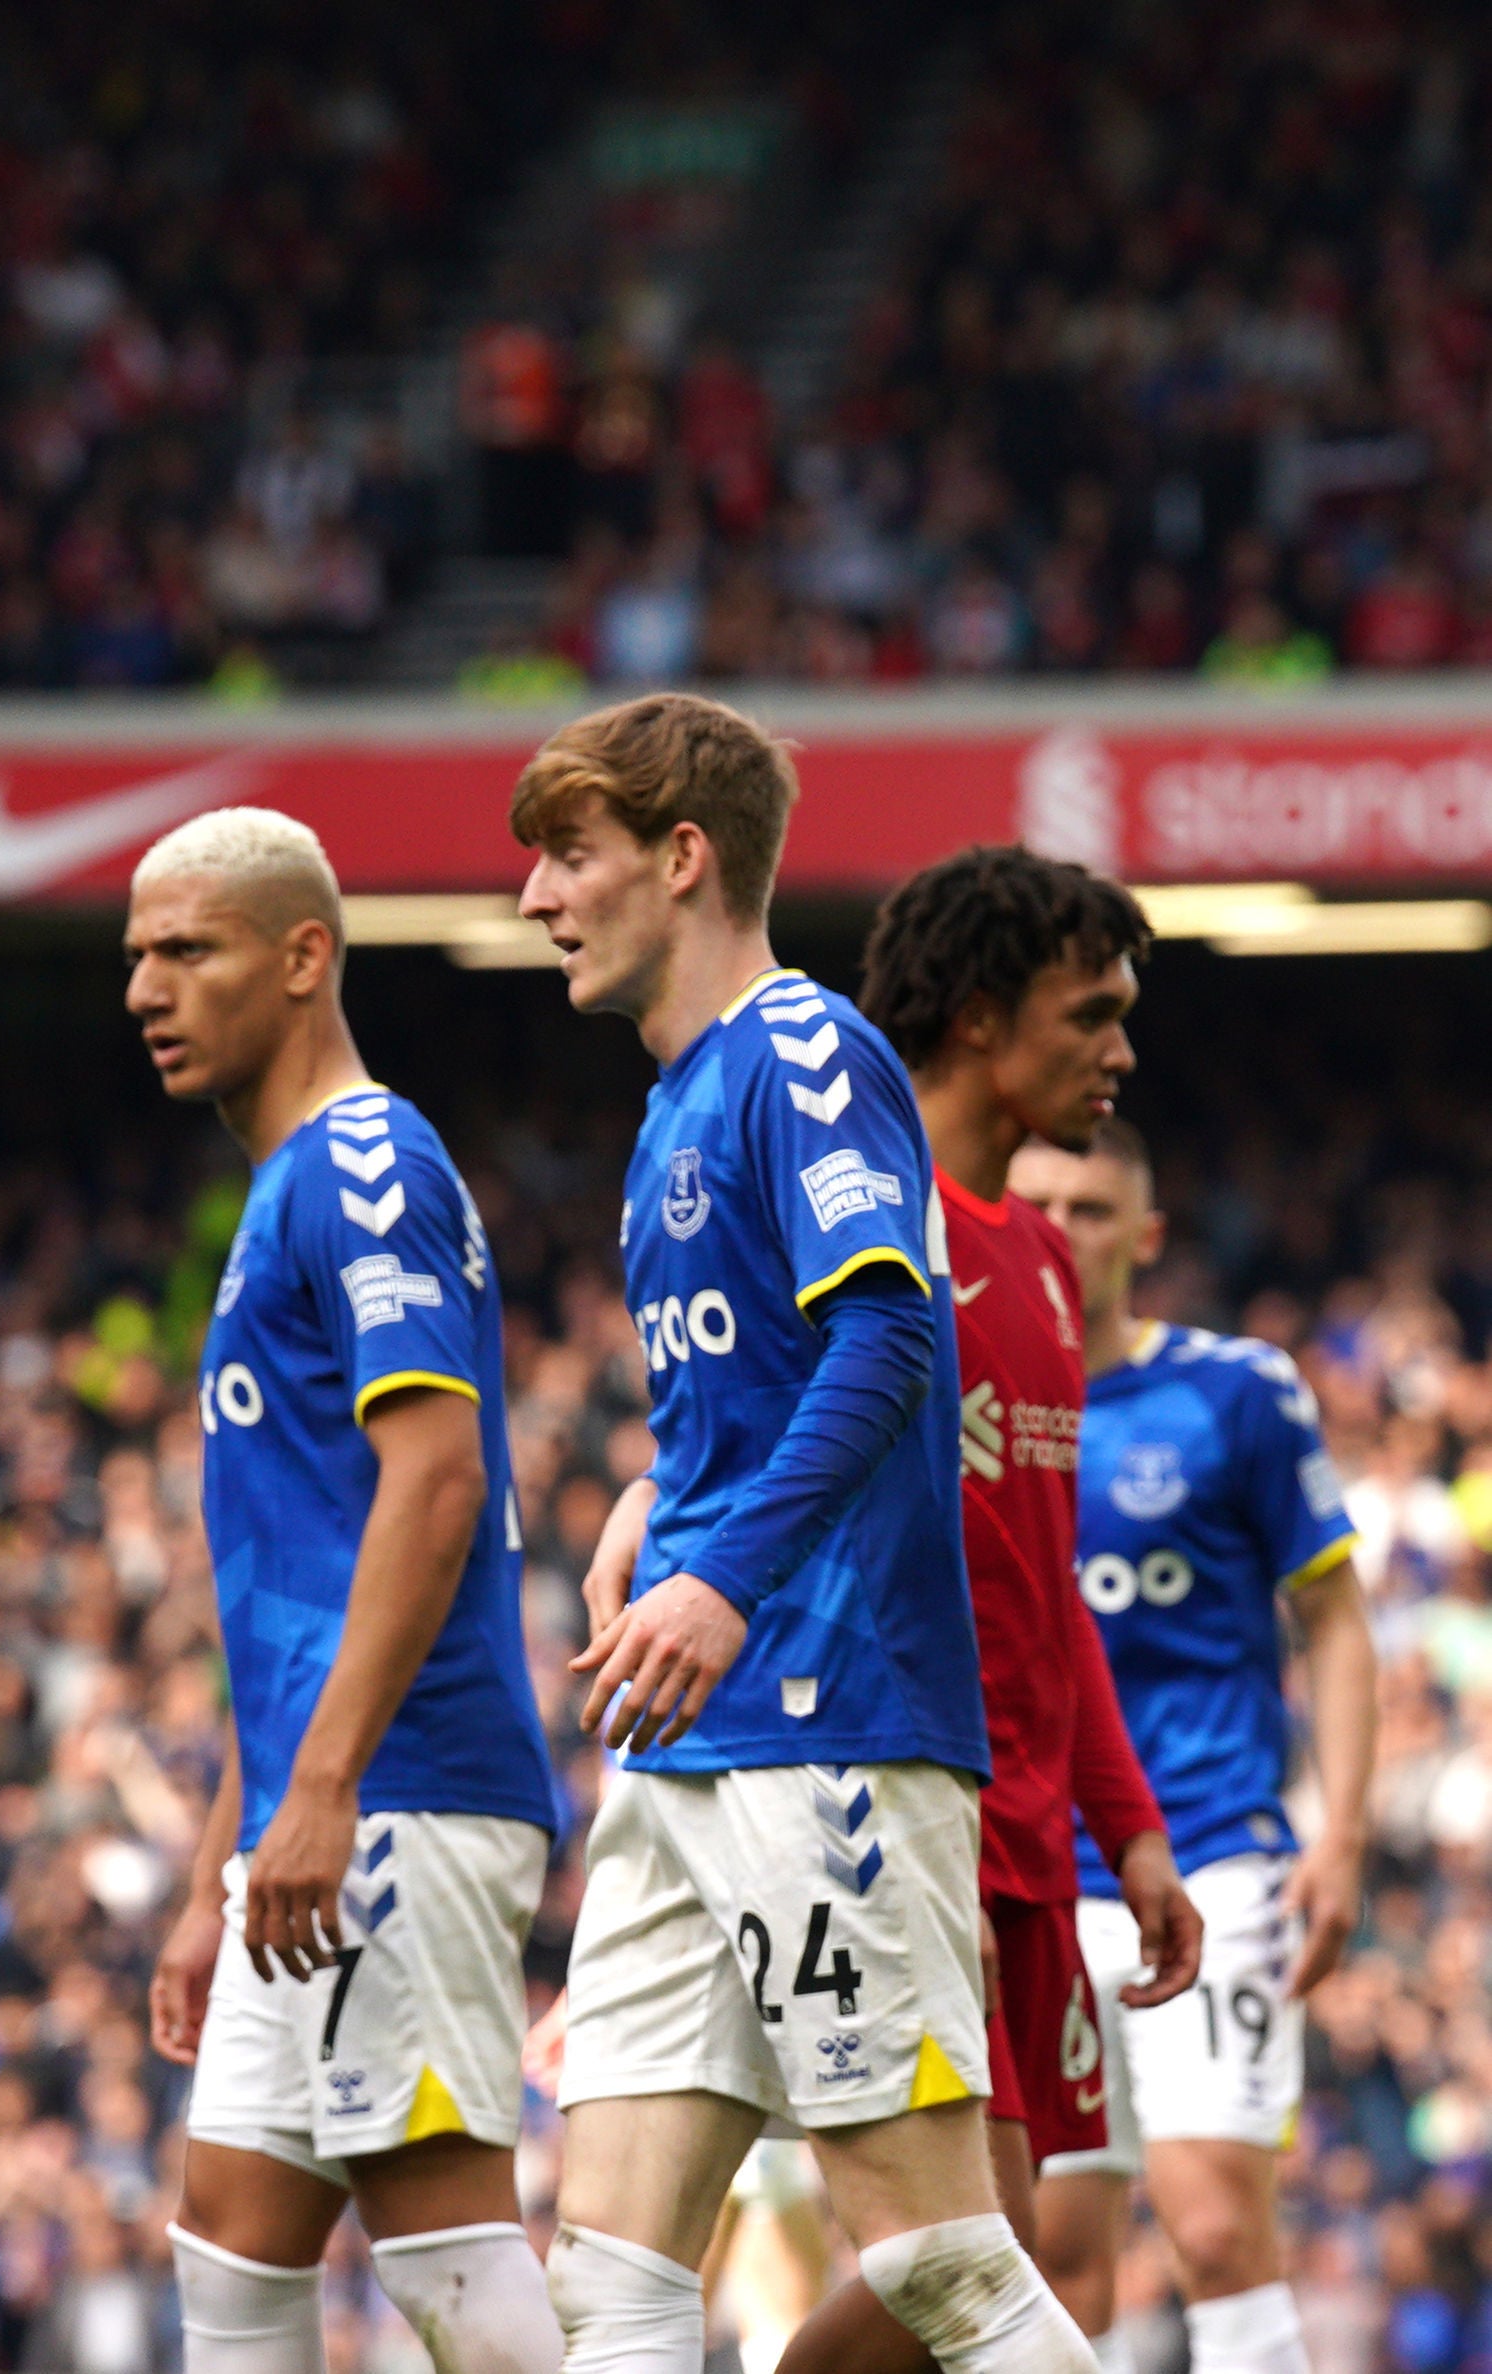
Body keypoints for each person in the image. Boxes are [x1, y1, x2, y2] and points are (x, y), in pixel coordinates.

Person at [509, 691, 1096, 2374]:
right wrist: (655, 1497)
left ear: (681, 858)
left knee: (942, 2266)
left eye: (572, 854)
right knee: (608, 2277)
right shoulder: (674, 1103)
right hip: (691, 1753)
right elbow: (763, 1382)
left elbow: (892, 1337)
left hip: (827, 1724)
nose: (543, 897)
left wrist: (713, 1569)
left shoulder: (804, 1048)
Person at [125, 809, 566, 2374]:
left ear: (304, 955)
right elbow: (299, 1587)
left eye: (188, 949)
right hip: (317, 1813)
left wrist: (322, 1792)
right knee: (233, 2246)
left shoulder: (367, 1162)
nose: (145, 988)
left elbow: (435, 1481)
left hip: (406, 1792)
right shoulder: (282, 1197)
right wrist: (219, 1870)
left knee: (451, 2257)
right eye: (136, 956)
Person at [766, 847, 1204, 2370]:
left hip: (1027, 1834)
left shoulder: (1039, 1261)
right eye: (1090, 1013)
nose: (1122, 1050)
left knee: (1003, 2266)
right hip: (892, 1812)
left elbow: (1049, 1579)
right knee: (973, 2260)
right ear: (975, 1017)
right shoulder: (873, 1234)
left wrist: (1129, 1825)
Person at [1014, 1122, 1374, 2374]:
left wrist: (1338, 1829)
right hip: (1037, 1872)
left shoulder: (1236, 1393)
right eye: (1037, 1202)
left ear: (1146, 1237)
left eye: (1093, 1209)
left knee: (1215, 2221)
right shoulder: (966, 1398)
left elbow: (1332, 1619)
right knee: (1056, 2250)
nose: (1061, 1231)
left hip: (1213, 1848)